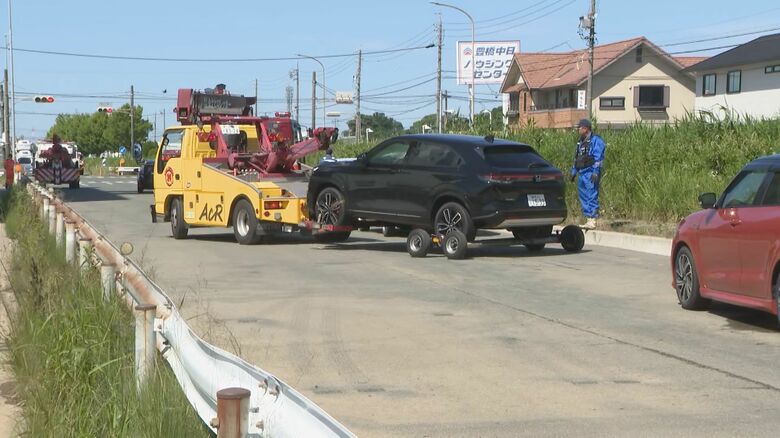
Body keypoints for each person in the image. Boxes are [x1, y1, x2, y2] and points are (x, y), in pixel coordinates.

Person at [570, 118, 605, 229]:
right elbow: (577, 158)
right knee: (583, 195)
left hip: (591, 172)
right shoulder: (580, 142)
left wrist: (595, 172)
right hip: (582, 173)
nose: (578, 130)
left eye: (579, 128)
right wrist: (574, 171)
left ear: (585, 129)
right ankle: (588, 218)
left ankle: (593, 219)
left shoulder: (596, 141)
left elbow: (598, 158)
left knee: (591, 194)